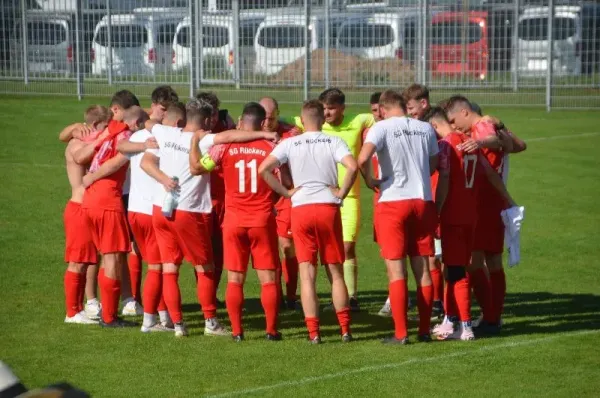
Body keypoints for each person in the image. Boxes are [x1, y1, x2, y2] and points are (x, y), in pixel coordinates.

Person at [259, 100, 357, 344]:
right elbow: (353, 166)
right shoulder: (333, 141)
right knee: (335, 272)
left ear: (302, 121)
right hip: (327, 207)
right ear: (322, 120)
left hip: (301, 209)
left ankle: (314, 332)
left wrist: (286, 192)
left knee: (307, 274)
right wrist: (341, 193)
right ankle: (345, 329)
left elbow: (264, 169)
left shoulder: (290, 142)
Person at [424, 107, 518, 341]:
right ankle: (471, 318)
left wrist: (436, 209)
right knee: (464, 266)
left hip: (454, 214)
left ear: (434, 126)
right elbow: (489, 173)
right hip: (472, 215)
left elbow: (445, 178)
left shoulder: (447, 144)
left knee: (455, 269)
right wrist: (508, 199)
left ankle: (461, 325)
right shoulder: (471, 142)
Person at [192, 102, 282, 342]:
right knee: (268, 278)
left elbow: (199, 169)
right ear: (263, 123)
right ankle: (271, 330)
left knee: (235, 278)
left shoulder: (224, 148)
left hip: (233, 221)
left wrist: (193, 144)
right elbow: (282, 182)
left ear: (241, 122)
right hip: (262, 219)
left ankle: (237, 331)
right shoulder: (271, 148)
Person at [358, 90, 438, 344]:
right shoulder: (425, 128)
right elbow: (435, 162)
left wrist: (370, 179)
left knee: (396, 270)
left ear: (382, 109)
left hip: (393, 202)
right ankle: (424, 329)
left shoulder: (380, 128)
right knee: (422, 267)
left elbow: (362, 158)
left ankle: (401, 333)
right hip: (422, 201)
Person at [291, 88, 374, 311]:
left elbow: (378, 114)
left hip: (350, 197)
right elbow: (286, 119)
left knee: (346, 248)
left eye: (332, 108)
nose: (326, 113)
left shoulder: (357, 123)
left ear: (342, 108)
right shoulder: (315, 124)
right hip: (322, 199)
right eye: (324, 108)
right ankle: (338, 298)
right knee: (322, 253)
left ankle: (351, 298)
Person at [115, 105, 185, 333]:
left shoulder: (138, 136)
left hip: (134, 210)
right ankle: (149, 321)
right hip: (151, 210)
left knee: (154, 266)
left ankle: (164, 317)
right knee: (159, 269)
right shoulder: (165, 139)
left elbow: (121, 146)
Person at [444, 96, 511, 334]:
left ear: (464, 112)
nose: (453, 127)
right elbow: (518, 145)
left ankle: (488, 318)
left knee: (473, 262)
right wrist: (503, 134)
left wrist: (480, 142)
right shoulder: (489, 124)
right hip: (493, 202)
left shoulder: (481, 126)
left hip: (483, 203)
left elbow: (492, 140)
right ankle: (493, 316)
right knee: (492, 261)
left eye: (453, 120)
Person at [76, 102, 136, 328]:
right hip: (107, 199)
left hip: (91, 200)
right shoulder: (125, 135)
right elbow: (118, 159)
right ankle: (109, 317)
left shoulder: (107, 133)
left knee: (106, 256)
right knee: (112, 257)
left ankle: (103, 309)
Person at [62, 105, 111, 325]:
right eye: (104, 126)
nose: (107, 130)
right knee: (77, 262)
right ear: (94, 125)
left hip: (88, 208)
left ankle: (79, 308)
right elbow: (81, 158)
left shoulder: (86, 139)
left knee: (87, 260)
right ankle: (72, 312)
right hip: (78, 208)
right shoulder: (77, 144)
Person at [259, 96, 301, 310]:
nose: (268, 122)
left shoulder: (291, 132)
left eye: (272, 118)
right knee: (265, 248)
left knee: (286, 245)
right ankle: (272, 293)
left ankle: (291, 295)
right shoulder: (250, 131)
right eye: (265, 118)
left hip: (285, 196)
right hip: (259, 198)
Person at [195, 92, 237, 302]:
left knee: (219, 248)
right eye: (208, 115)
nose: (212, 119)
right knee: (201, 251)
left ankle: (210, 293)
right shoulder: (191, 131)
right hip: (197, 199)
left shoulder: (225, 126)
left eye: (214, 114)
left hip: (222, 196)